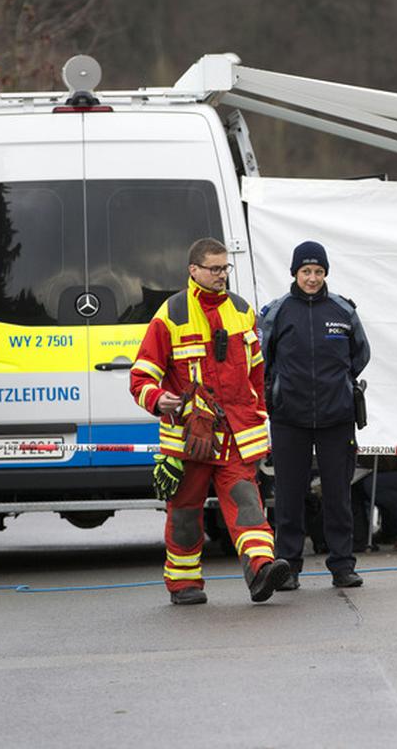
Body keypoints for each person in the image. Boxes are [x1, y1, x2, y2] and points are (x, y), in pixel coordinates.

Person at [129, 237, 290, 606]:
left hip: (235, 436)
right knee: (185, 514)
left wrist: (258, 416)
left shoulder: (242, 310)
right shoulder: (170, 315)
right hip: (190, 438)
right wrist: (159, 400)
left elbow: (256, 373)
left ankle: (262, 570)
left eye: (225, 268)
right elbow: (140, 378)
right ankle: (184, 584)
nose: (222, 275)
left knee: (248, 504)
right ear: (194, 270)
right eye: (215, 269)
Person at [258, 241, 371, 590]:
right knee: (290, 496)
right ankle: (289, 567)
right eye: (306, 271)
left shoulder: (343, 311)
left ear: (326, 274)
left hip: (337, 418)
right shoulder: (276, 312)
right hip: (289, 418)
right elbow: (262, 359)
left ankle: (342, 565)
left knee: (338, 495)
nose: (312, 278)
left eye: (318, 272)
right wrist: (278, 392)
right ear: (294, 272)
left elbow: (360, 355)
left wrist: (336, 386)